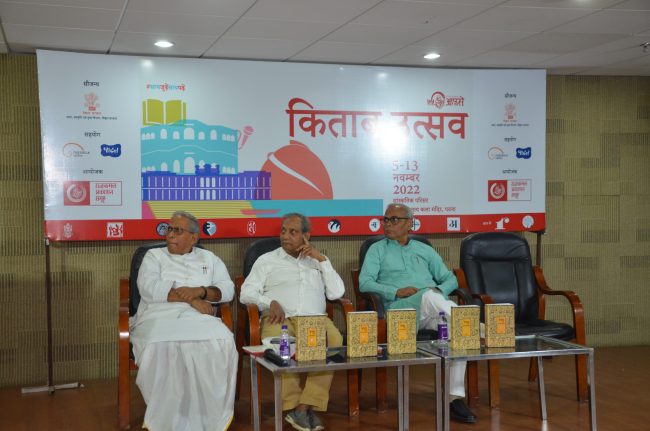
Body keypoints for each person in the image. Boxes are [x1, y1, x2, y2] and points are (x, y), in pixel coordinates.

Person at [359, 203, 477, 424]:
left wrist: (439, 290)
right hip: (400, 312)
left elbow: (450, 279)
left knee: (455, 328)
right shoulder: (377, 250)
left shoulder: (424, 249)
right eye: (386, 219)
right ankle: (475, 326)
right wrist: (395, 291)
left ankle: (454, 398)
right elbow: (364, 283)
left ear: (409, 224)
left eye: (394, 219)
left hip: (431, 310)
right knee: (435, 301)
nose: (388, 224)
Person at [130, 210, 237, 431]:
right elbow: (149, 288)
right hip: (159, 316)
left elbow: (227, 290)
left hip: (199, 318)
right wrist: (192, 300)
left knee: (223, 340)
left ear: (193, 237)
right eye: (169, 229)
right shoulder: (154, 256)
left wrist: (201, 291)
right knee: (160, 345)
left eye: (177, 230)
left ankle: (207, 415)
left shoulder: (210, 259)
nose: (170, 234)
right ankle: (167, 419)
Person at [240, 213, 345, 431]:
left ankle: (303, 407)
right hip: (280, 318)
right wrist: (269, 302)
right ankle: (298, 407)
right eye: (283, 231)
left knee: (335, 341)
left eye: (293, 232)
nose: (285, 236)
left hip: (314, 319)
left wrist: (322, 260)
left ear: (307, 236)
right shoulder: (267, 260)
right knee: (279, 347)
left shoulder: (318, 261)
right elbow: (246, 292)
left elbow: (336, 293)